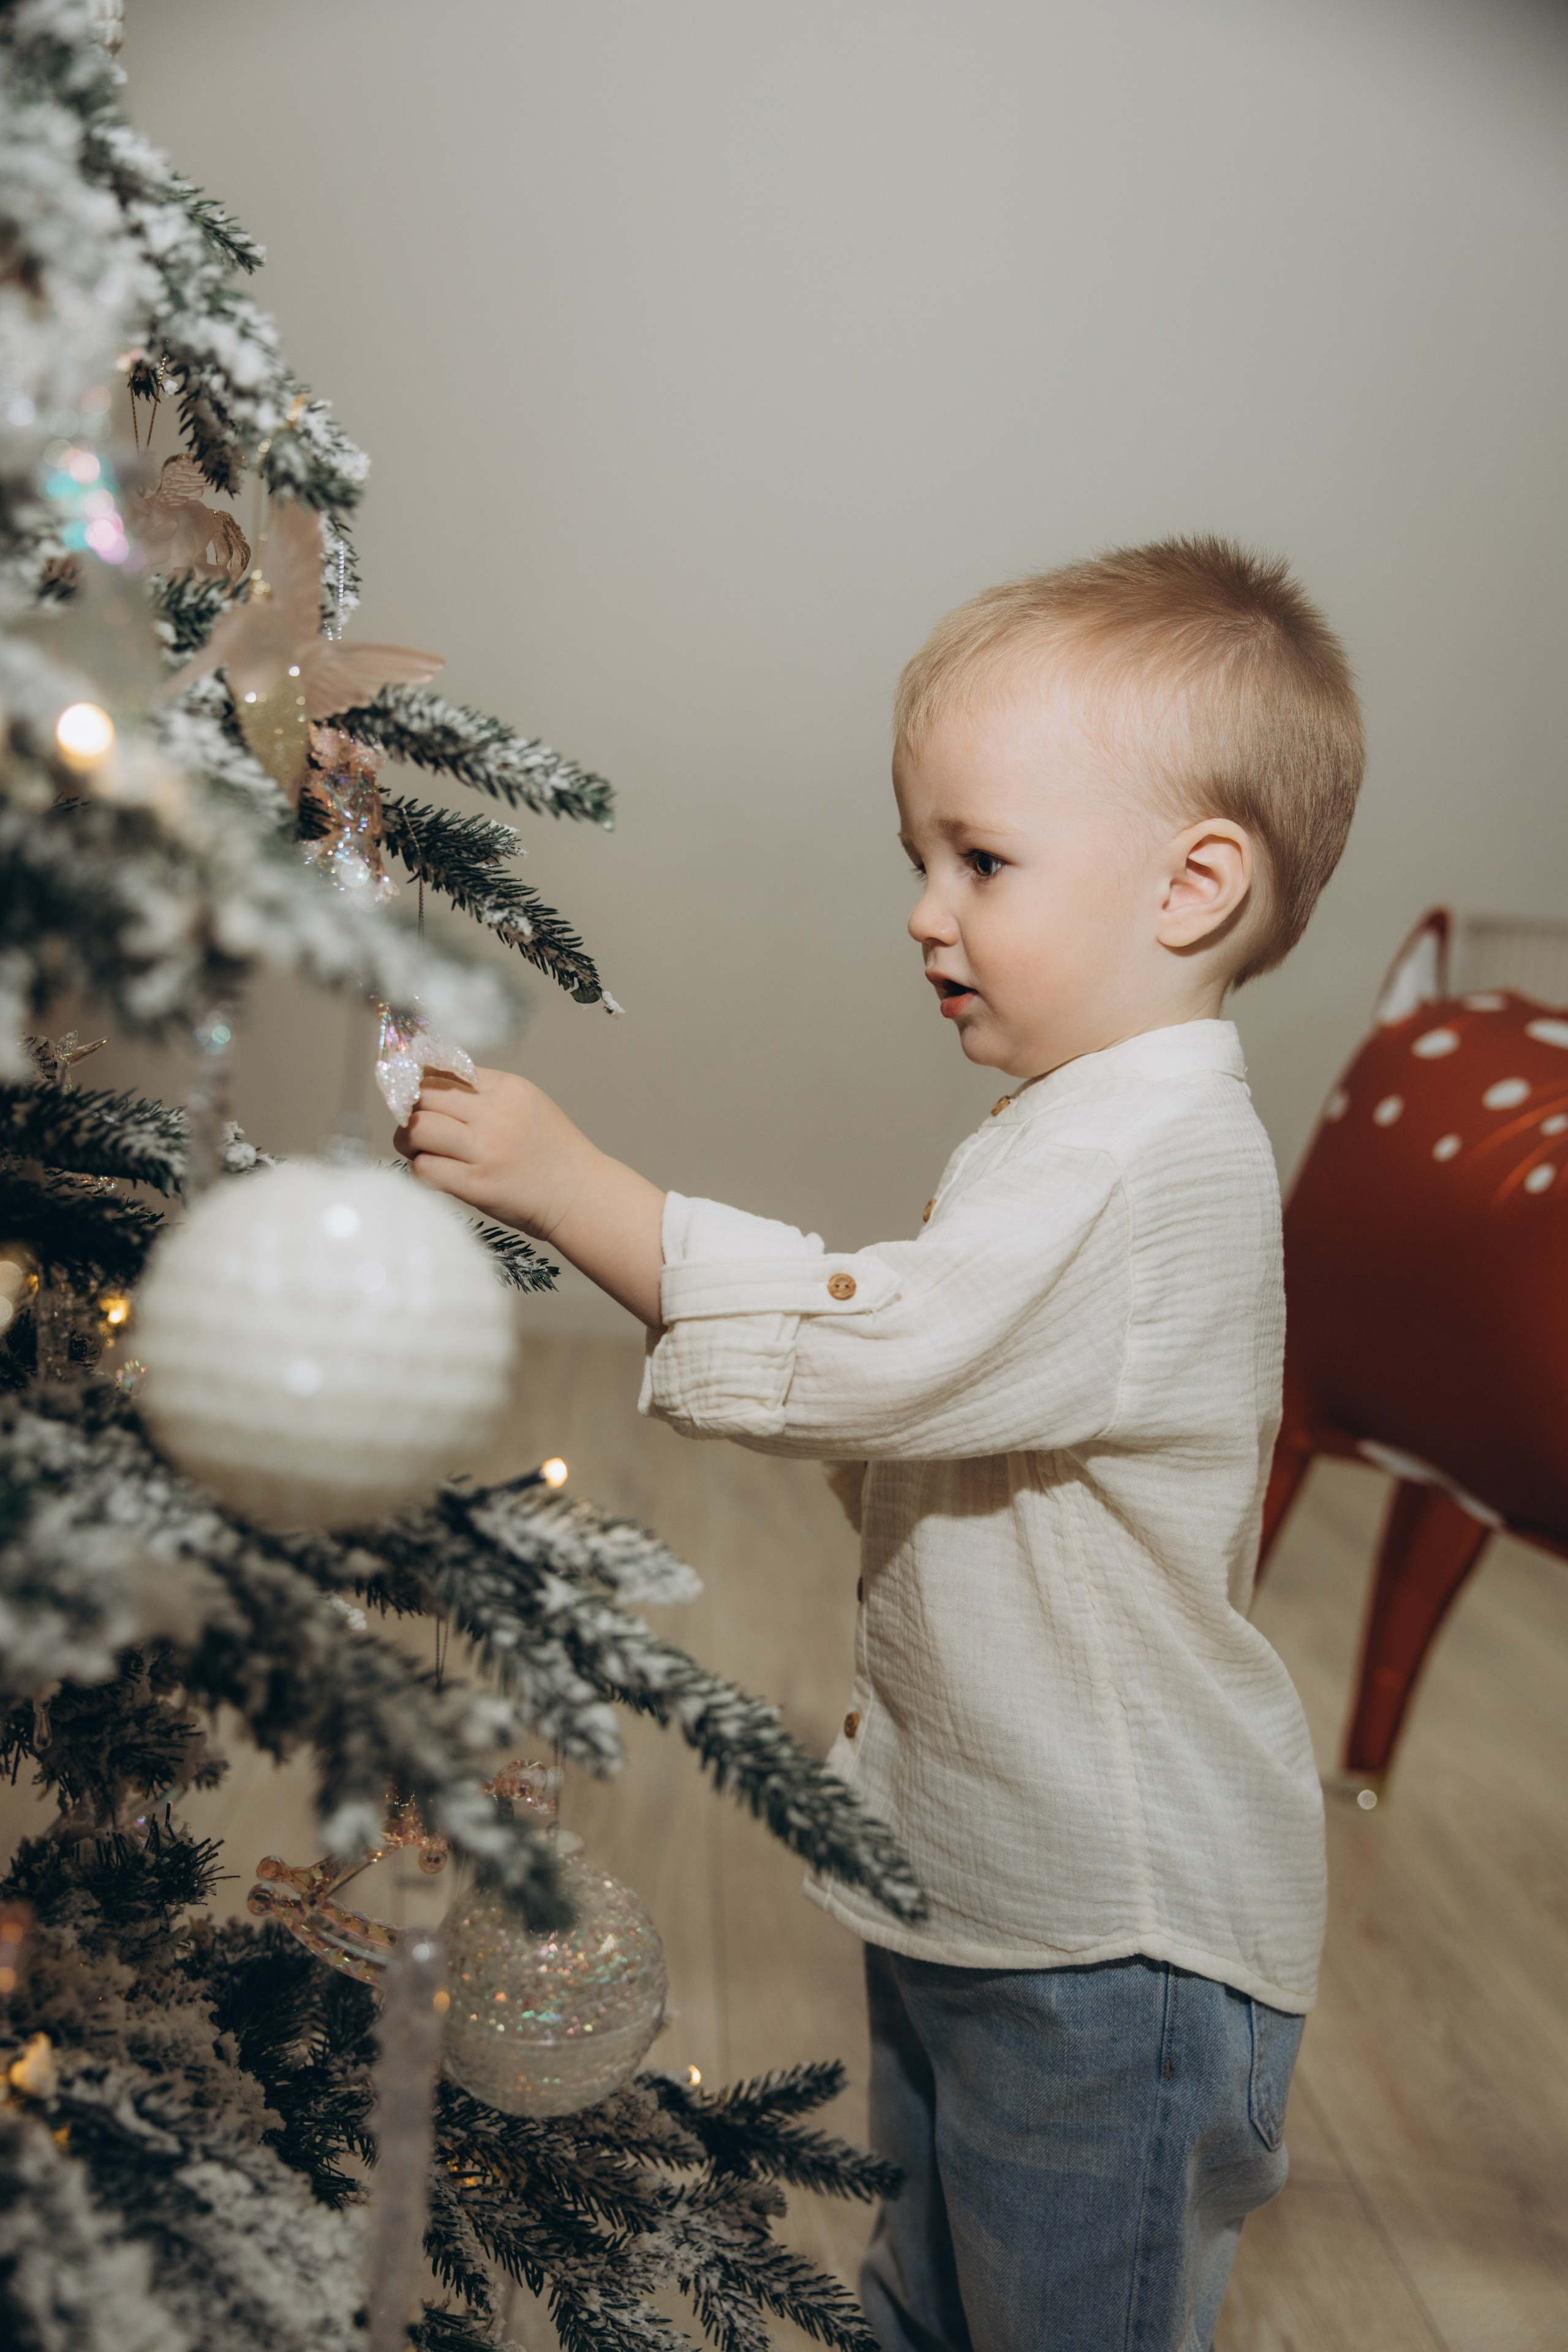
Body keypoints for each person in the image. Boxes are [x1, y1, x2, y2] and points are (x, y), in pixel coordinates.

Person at [394, 535, 1364, 2352]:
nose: (927, 909)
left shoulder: (1142, 1165)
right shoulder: (1063, 1132)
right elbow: (919, 1426)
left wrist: (582, 1194)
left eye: (980, 859)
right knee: (930, 2292)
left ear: (1194, 884)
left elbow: (885, 1356)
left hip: (1112, 1938)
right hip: (985, 1886)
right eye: (918, 856)